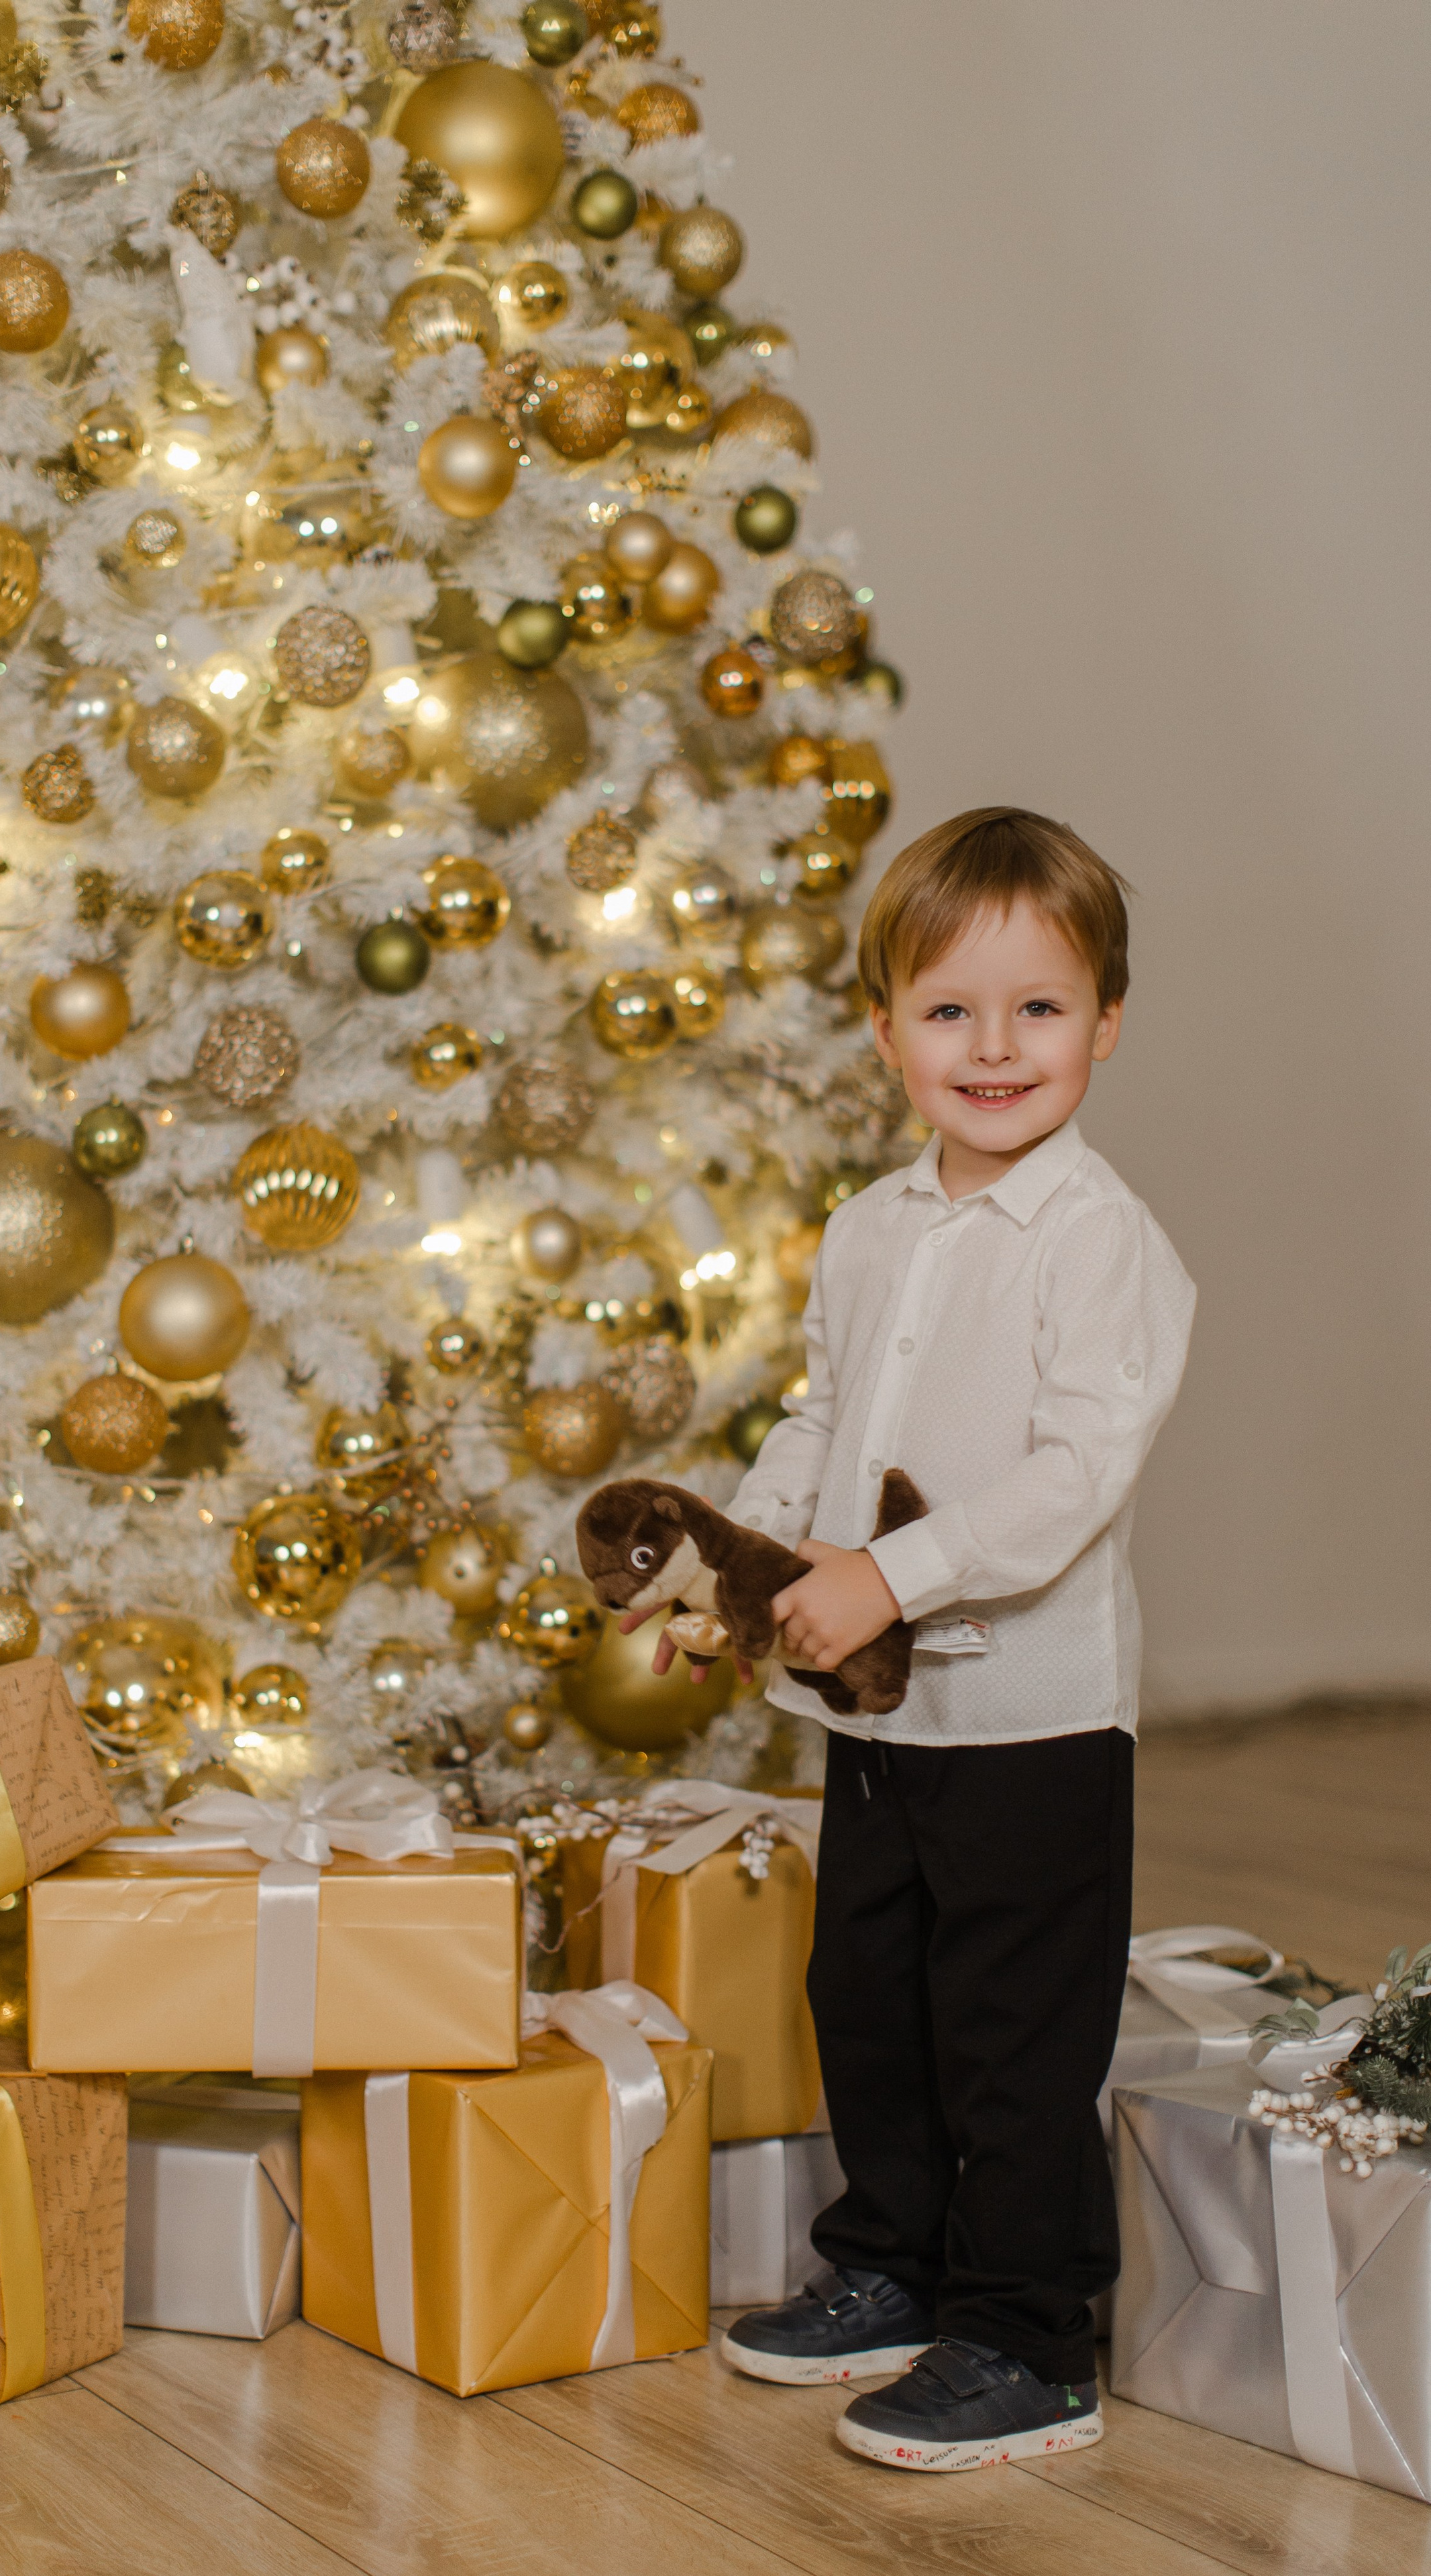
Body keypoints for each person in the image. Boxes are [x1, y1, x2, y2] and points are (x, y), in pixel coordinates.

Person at [708, 807, 1195, 2469]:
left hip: (1030, 1730)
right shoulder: (869, 1231)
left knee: (1012, 2033)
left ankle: (1024, 2334)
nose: (992, 1049)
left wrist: (891, 1578)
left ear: (1105, 1021)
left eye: (1038, 1009)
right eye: (947, 1012)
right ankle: (891, 2270)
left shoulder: (1096, 1241)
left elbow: (1072, 1477)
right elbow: (819, 1417)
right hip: (872, 1726)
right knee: (874, 2001)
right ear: (884, 1030)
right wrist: (750, 1573)